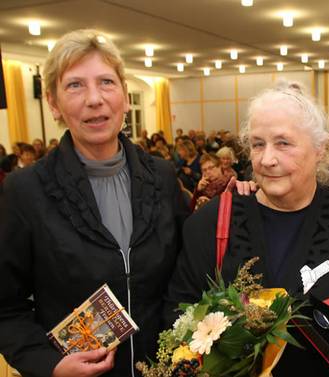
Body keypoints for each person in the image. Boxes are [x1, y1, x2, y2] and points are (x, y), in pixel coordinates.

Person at [165, 81, 329, 376]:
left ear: (320, 149)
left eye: (283, 143)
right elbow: (176, 315)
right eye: (258, 144)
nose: (267, 159)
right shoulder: (210, 224)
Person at [0, 29, 190, 377]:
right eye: (75, 85)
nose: (94, 99)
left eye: (106, 82)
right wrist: (50, 365)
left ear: (124, 95)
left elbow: (187, 275)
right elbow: (5, 309)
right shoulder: (25, 190)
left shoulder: (162, 176)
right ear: (53, 103)